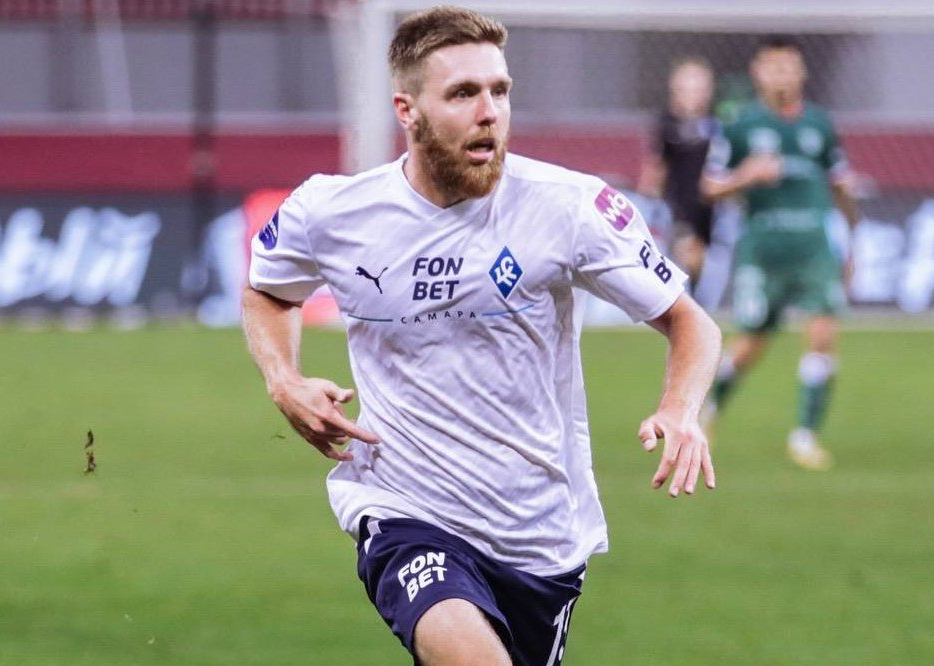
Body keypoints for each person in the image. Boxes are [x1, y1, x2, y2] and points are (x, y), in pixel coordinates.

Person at [242, 7, 721, 665]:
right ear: (408, 111)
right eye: (463, 93)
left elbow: (689, 321)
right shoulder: (333, 212)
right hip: (404, 510)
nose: (489, 112)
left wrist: (680, 409)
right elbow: (269, 288)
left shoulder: (569, 206)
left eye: (500, 90)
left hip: (538, 538)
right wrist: (283, 379)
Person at [700, 35, 860, 471]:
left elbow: (841, 186)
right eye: (773, 67)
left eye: (788, 66)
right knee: (751, 343)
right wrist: (746, 177)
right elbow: (709, 187)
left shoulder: (820, 125)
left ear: (801, 72)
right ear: (757, 73)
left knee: (823, 334)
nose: (781, 75)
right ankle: (709, 408)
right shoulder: (739, 125)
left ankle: (804, 437)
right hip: (764, 249)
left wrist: (852, 241)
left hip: (814, 247)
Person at [638, 56, 719, 297]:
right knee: (687, 254)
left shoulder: (717, 123)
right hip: (679, 205)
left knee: (704, 261)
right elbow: (657, 165)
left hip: (711, 206)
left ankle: (697, 300)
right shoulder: (668, 124)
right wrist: (649, 198)